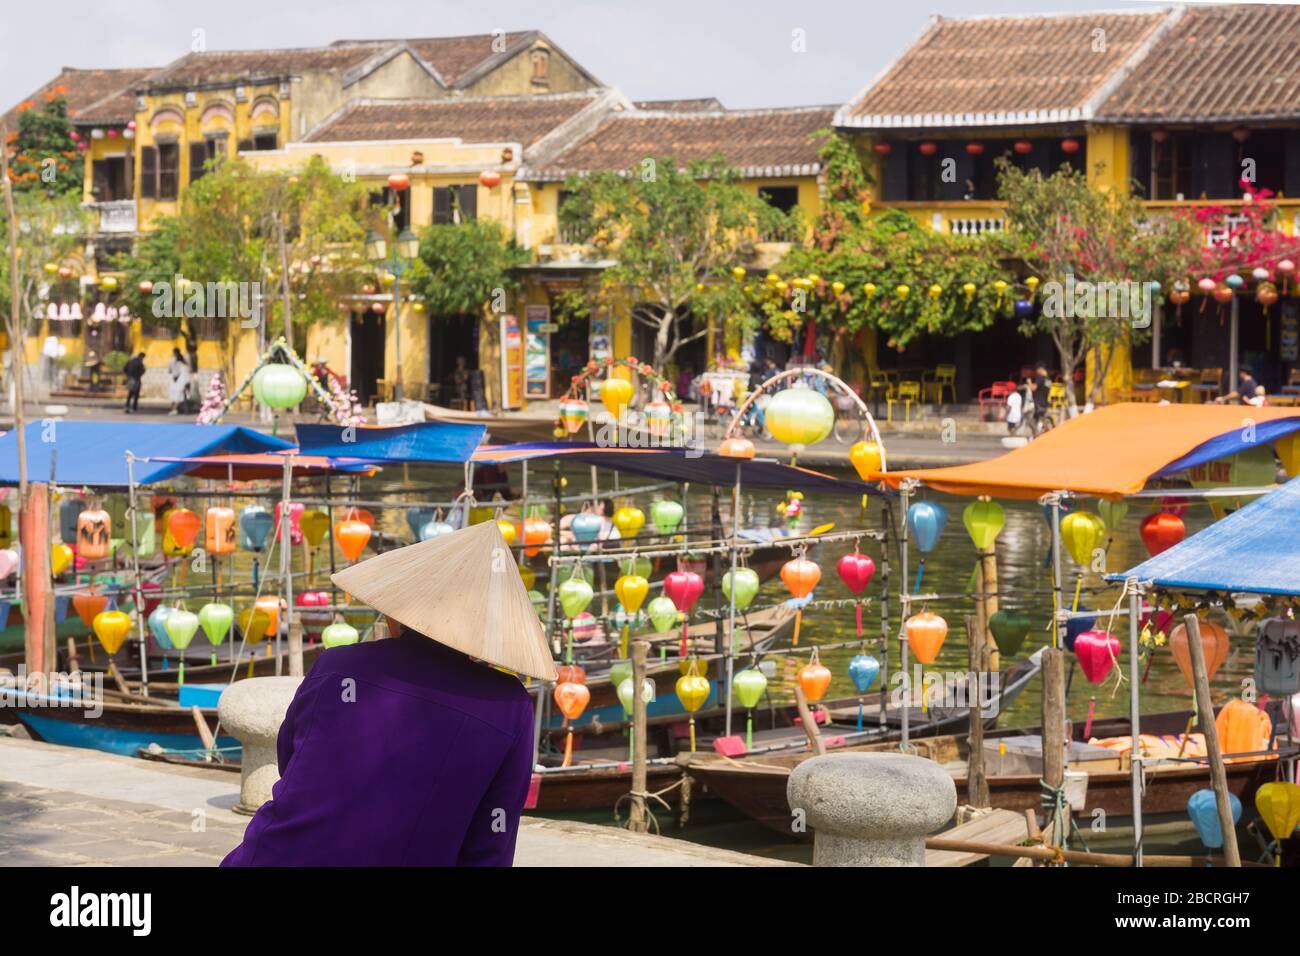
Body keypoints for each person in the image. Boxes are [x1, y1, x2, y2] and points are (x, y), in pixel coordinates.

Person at [222, 520, 554, 866]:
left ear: (397, 615)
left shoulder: (336, 665)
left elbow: (291, 758)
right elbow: (491, 842)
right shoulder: (508, 706)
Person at [167, 348, 192, 415]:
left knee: (176, 395)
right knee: (186, 395)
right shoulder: (185, 362)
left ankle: (174, 409)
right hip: (188, 379)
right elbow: (189, 370)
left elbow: (173, 372)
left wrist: (174, 379)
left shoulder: (175, 362)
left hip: (180, 380)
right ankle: (185, 410)